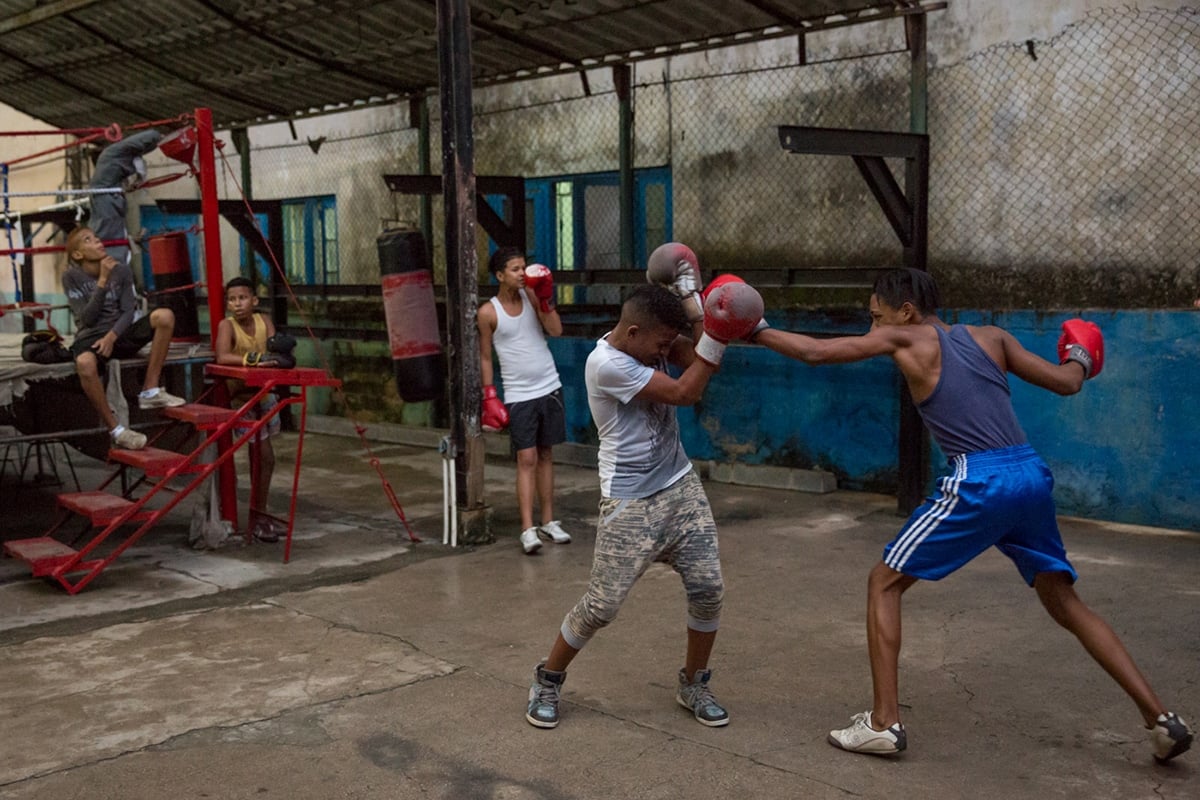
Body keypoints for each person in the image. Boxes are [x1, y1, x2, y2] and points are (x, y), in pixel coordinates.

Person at [753, 267, 1193, 762]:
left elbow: (816, 353)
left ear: (906, 312)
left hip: (979, 480)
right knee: (1063, 599)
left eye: (876, 317)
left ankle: (883, 723)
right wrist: (1080, 357)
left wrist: (755, 329)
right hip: (1029, 473)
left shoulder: (905, 337)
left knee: (884, 582)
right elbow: (1067, 383)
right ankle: (1161, 720)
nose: (873, 330)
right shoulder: (993, 337)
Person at [524, 279, 763, 730]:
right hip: (630, 502)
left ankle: (693, 683)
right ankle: (547, 678)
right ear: (633, 332)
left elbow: (696, 362)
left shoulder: (648, 345)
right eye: (660, 343)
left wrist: (700, 308)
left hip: (680, 487)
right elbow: (685, 393)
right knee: (602, 606)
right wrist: (718, 329)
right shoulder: (606, 364)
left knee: (709, 589)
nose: (664, 351)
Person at [477, 246, 572, 554]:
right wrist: (489, 394)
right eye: (515, 269)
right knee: (526, 458)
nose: (522, 273)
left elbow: (556, 331)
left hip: (549, 385)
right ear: (500, 275)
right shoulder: (488, 312)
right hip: (519, 394)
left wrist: (545, 300)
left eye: (524, 267)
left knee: (545, 454)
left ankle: (548, 521)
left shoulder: (533, 298)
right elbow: (485, 357)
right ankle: (527, 528)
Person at [63, 226, 184, 451]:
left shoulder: (122, 270)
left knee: (165, 316)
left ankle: (150, 390)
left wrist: (112, 336)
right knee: (84, 363)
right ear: (78, 255)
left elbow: (129, 311)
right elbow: (87, 319)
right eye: (88, 240)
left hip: (119, 333)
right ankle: (117, 430)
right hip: (91, 337)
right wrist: (102, 280)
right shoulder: (71, 277)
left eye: (97, 237)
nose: (98, 241)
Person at [213, 277, 293, 543]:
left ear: (254, 300)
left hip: (265, 397)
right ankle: (258, 518)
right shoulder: (228, 326)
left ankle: (262, 514)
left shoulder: (264, 321)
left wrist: (282, 354)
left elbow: (275, 350)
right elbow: (223, 356)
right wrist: (256, 361)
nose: (237, 304)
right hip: (242, 400)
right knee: (263, 457)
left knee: (265, 460)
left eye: (242, 298)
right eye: (232, 299)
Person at [88, 128, 162, 267]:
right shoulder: (109, 158)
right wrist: (160, 135)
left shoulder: (111, 193)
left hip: (113, 257)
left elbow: (110, 229)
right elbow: (151, 135)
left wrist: (131, 240)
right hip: (107, 260)